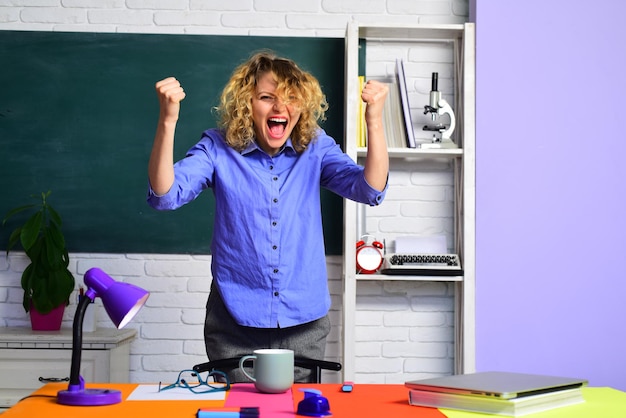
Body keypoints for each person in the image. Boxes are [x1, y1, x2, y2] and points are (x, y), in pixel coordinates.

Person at [147, 51, 389, 382]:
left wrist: (374, 121)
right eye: (266, 97)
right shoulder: (217, 148)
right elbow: (164, 195)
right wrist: (167, 120)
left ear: (302, 106)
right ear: (247, 104)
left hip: (303, 324)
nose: (279, 108)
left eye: (291, 98)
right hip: (234, 323)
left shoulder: (315, 147)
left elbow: (369, 190)